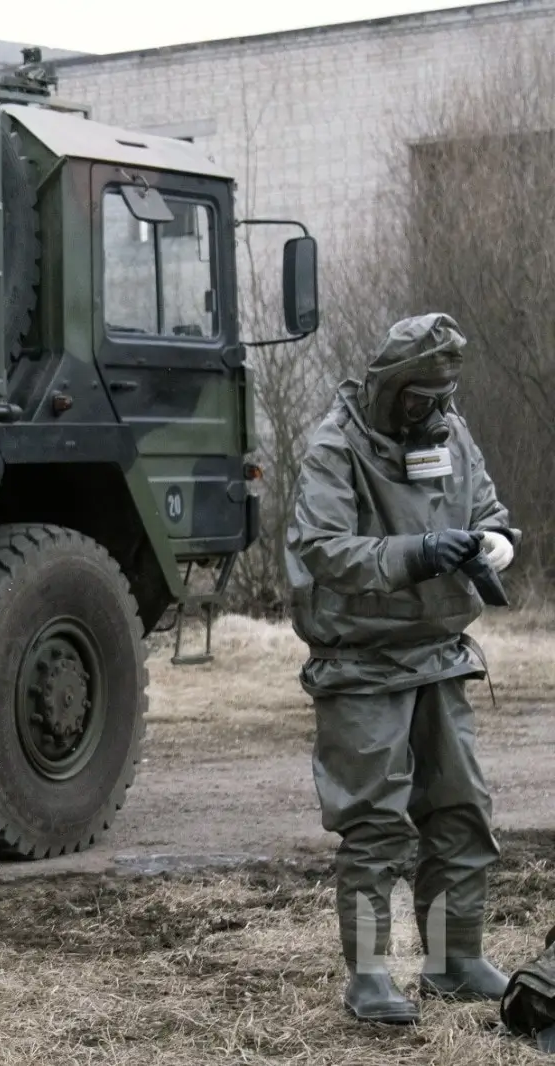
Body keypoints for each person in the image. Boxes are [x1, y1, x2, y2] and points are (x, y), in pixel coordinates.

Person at [285, 312, 517, 1025]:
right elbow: (323, 548)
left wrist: (496, 544)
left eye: (444, 396)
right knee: (376, 822)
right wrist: (417, 552)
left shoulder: (453, 431)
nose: (435, 411)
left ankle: (453, 959)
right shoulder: (337, 446)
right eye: (421, 397)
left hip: (440, 656)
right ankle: (371, 976)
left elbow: (488, 509)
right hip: (362, 661)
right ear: (390, 387)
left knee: (460, 812)